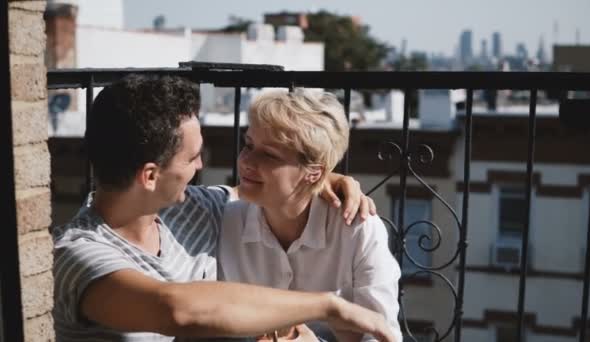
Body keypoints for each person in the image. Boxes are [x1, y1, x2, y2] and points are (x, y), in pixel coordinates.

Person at [52, 74, 394, 342]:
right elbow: (176, 310)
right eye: (192, 157)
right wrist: (329, 306)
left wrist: (324, 179)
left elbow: (266, 190)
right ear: (151, 176)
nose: (202, 165)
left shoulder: (196, 209)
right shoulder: (78, 255)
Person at [218, 89, 402, 342]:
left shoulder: (358, 229)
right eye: (248, 145)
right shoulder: (222, 220)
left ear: (315, 173)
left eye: (269, 154)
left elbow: (384, 336)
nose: (246, 160)